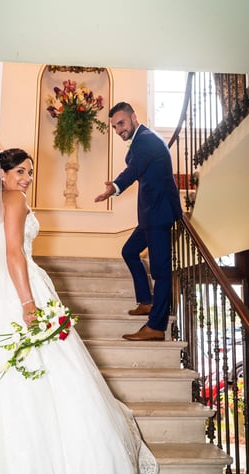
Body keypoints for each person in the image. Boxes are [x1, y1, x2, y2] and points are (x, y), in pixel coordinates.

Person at [0, 148, 159, 474]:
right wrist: (28, 303)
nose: (26, 179)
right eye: (20, 173)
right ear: (2, 174)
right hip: (18, 289)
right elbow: (14, 254)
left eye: (29, 173)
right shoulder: (14, 201)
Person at [95, 102, 182, 341]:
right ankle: (146, 300)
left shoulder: (146, 139)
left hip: (158, 214)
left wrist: (114, 186)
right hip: (150, 215)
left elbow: (133, 171)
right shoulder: (144, 139)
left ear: (134, 117)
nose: (118, 129)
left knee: (161, 272)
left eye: (121, 123)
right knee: (129, 251)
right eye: (114, 127)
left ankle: (156, 326)